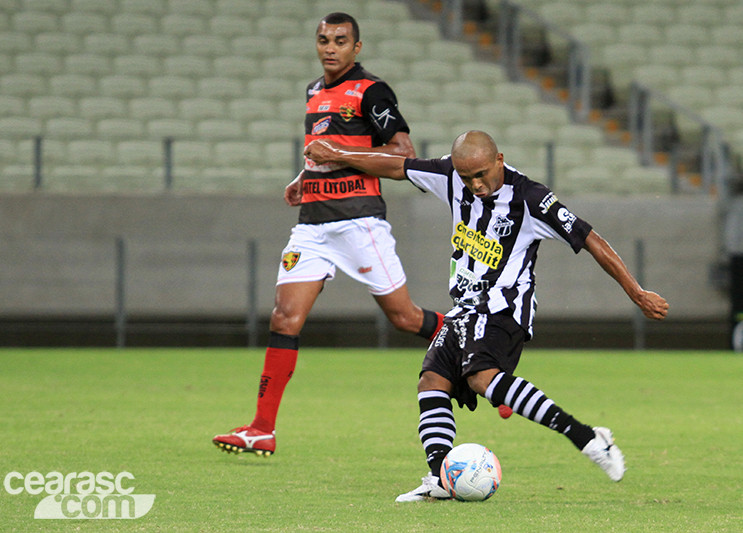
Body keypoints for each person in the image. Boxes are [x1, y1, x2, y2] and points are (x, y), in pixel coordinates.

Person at [303, 130, 669, 501]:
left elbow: (590, 238)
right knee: (431, 382)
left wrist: (635, 291)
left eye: (482, 174)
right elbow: (397, 166)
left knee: (481, 378)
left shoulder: (531, 198)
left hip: (504, 308)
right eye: (466, 177)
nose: (475, 185)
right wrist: (338, 153)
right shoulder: (450, 176)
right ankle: (441, 479)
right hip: (464, 309)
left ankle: (589, 438)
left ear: (499, 160)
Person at [212, 13, 444, 457]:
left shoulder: (372, 91)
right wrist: (307, 174)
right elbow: (325, 150)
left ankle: (476, 346)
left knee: (405, 319)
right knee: (284, 318)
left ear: (357, 48)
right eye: (323, 40)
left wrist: (335, 154)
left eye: (340, 40)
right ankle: (262, 427)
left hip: (359, 221)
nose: (330, 47)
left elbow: (402, 155)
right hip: (313, 226)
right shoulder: (313, 91)